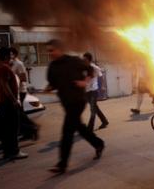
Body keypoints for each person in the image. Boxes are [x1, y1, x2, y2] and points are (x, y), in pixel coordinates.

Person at [46, 39, 105, 174]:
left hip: (78, 101)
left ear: (60, 49)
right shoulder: (52, 67)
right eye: (48, 51)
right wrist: (49, 87)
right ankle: (98, 143)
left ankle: (62, 164)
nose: (50, 53)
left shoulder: (74, 61)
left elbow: (90, 69)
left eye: (52, 50)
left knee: (67, 132)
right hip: (66, 103)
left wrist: (85, 82)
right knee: (80, 128)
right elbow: (53, 83)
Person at [0, 47, 28, 160]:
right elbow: (5, 85)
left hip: (4, 101)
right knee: (13, 128)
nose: (12, 57)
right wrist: (14, 100)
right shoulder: (4, 68)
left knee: (7, 128)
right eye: (10, 55)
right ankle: (14, 151)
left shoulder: (1, 67)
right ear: (5, 56)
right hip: (8, 102)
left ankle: (7, 152)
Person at [10, 47, 39, 140]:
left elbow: (23, 78)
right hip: (14, 92)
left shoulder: (19, 64)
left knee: (19, 113)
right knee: (20, 113)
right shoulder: (11, 64)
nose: (10, 56)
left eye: (11, 54)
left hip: (20, 91)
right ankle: (29, 131)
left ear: (15, 54)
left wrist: (14, 81)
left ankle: (32, 128)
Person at [83, 52, 109, 131]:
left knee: (93, 109)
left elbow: (101, 77)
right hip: (87, 91)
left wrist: (103, 86)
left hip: (93, 91)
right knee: (95, 108)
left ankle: (90, 128)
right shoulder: (84, 67)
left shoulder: (94, 67)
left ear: (89, 60)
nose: (83, 60)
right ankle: (104, 121)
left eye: (85, 59)